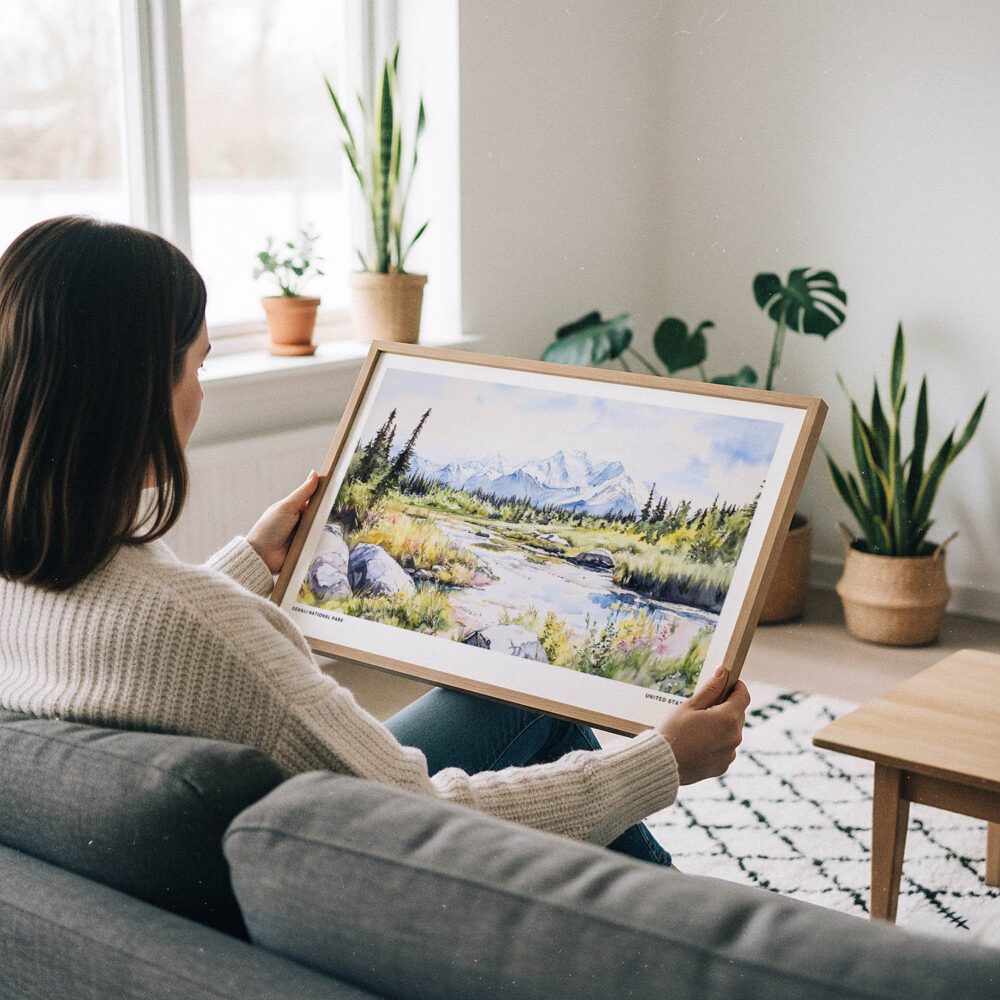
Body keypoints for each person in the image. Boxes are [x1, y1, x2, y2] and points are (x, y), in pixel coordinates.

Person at [0, 216, 749, 866]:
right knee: (546, 715)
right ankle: (695, 937)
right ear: (135, 394)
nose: (202, 392)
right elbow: (419, 817)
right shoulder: (207, 631)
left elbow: (140, 637)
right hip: (359, 861)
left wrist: (250, 564)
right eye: (198, 365)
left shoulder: (27, 580)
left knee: (505, 697)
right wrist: (660, 761)